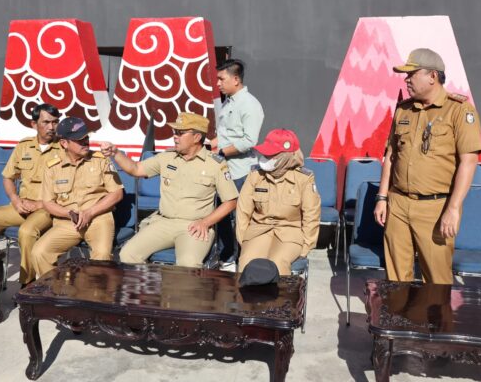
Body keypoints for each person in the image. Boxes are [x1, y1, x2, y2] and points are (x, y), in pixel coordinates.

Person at [373, 48, 481, 284]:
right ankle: (399, 319)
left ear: (432, 76)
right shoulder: (403, 109)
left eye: (411, 74)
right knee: (395, 280)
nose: (406, 80)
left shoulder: (459, 110)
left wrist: (453, 209)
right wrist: (382, 197)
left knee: (437, 282)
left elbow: (469, 161)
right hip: (399, 204)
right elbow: (391, 155)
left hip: (435, 207)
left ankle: (438, 322)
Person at [101, 112, 239, 268]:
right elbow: (136, 169)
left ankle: (177, 292)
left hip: (194, 226)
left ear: (196, 137)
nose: (175, 137)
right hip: (163, 222)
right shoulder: (167, 157)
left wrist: (206, 222)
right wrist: (116, 153)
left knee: (189, 264)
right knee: (127, 254)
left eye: (180, 133)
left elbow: (231, 201)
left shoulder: (215, 164)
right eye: (175, 132)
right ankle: (144, 291)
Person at [0, 103, 61, 286]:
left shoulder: (64, 147)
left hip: (48, 209)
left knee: (26, 232)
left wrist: (41, 205)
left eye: (55, 122)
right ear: (34, 124)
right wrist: (15, 199)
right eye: (46, 122)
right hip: (22, 206)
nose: (52, 127)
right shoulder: (24, 146)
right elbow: (8, 177)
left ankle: (27, 283)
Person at [31, 117, 124, 278]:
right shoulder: (52, 167)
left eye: (86, 137)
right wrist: (69, 214)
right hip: (68, 221)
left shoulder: (100, 160)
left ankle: (95, 299)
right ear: (64, 143)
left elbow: (117, 193)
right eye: (80, 140)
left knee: (101, 257)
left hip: (98, 218)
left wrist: (90, 212)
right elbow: (47, 202)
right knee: (39, 252)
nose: (86, 142)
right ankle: (56, 293)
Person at [236, 129, 321, 275]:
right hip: (258, 231)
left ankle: (280, 298)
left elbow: (311, 215)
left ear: (286, 156)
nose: (265, 157)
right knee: (247, 262)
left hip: (290, 233)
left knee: (277, 264)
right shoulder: (255, 175)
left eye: (271, 154)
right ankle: (245, 298)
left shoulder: (303, 178)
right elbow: (243, 210)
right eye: (265, 153)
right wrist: (244, 239)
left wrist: (306, 247)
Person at [210, 59, 264, 268]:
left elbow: (249, 141)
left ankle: (240, 260)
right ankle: (226, 256)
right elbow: (225, 134)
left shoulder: (250, 105)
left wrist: (221, 151)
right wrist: (209, 145)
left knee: (239, 219)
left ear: (235, 79)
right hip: (224, 168)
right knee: (222, 215)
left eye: (221, 79)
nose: (218, 84)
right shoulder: (229, 101)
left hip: (240, 171)